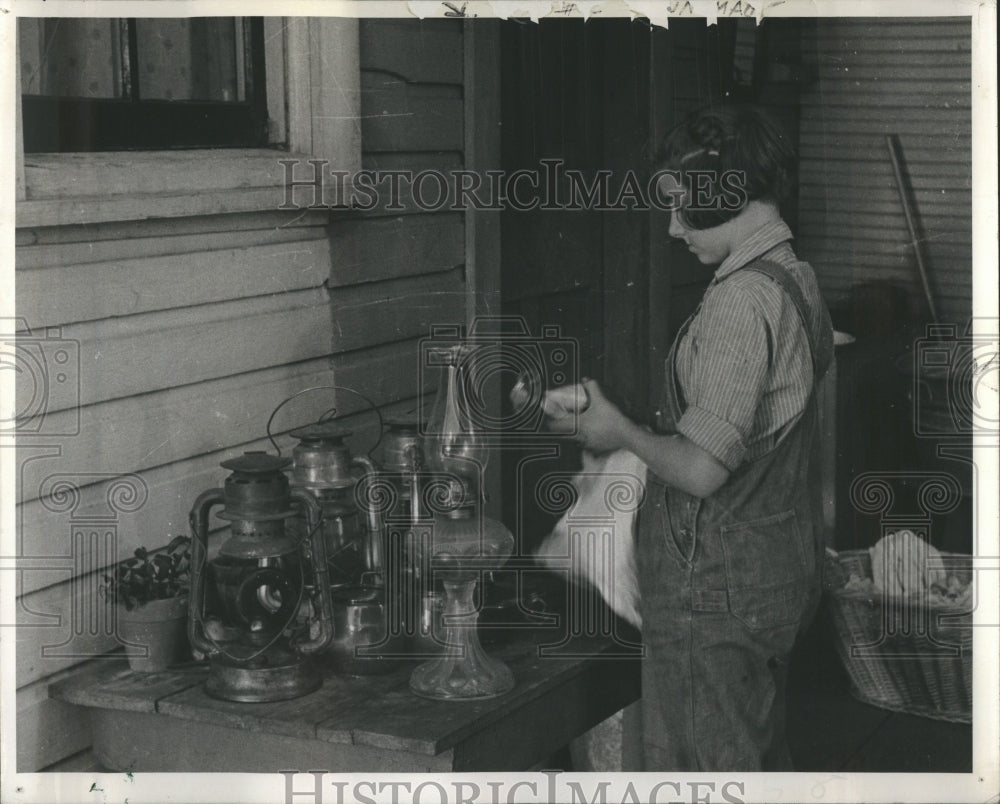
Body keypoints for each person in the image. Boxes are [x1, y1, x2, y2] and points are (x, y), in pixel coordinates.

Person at [546, 104, 834, 771]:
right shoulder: (795, 276)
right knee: (749, 758)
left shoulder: (739, 301)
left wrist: (619, 430)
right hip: (773, 566)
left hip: (718, 589)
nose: (673, 228)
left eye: (680, 207)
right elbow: (745, 427)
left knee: (706, 773)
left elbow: (704, 469)